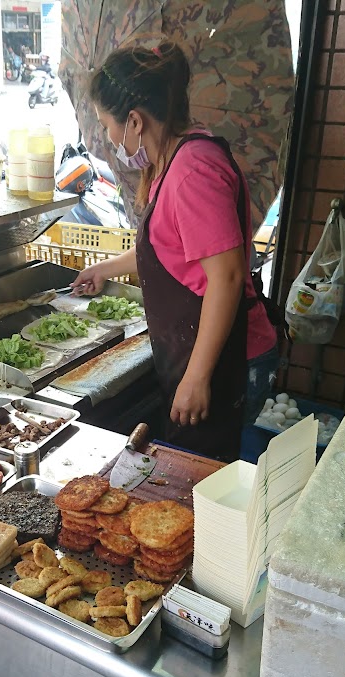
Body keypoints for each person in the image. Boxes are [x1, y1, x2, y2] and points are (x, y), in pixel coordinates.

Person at [71, 42, 279, 461]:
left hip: (227, 362)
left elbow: (227, 277)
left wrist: (197, 376)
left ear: (133, 121)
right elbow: (174, 253)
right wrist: (107, 268)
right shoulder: (173, 160)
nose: (110, 139)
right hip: (203, 352)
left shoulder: (193, 171)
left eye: (107, 125)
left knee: (207, 484)